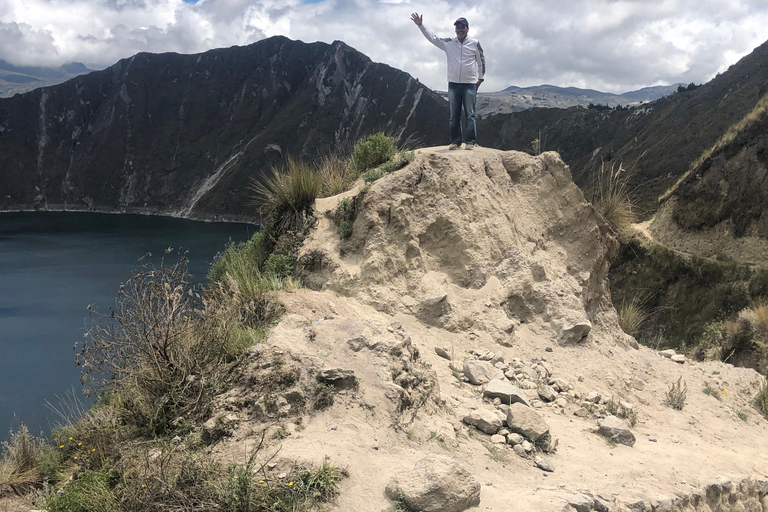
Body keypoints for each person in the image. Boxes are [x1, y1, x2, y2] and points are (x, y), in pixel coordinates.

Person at [410, 13, 485, 150]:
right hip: (453, 84)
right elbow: (433, 38)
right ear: (455, 30)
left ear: (467, 29)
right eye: (458, 28)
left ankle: (470, 142)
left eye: (462, 27)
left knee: (470, 114)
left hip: (469, 84)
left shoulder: (475, 43)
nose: (460, 30)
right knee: (454, 115)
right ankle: (456, 142)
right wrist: (420, 25)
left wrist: (480, 79)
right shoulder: (449, 42)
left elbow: (481, 62)